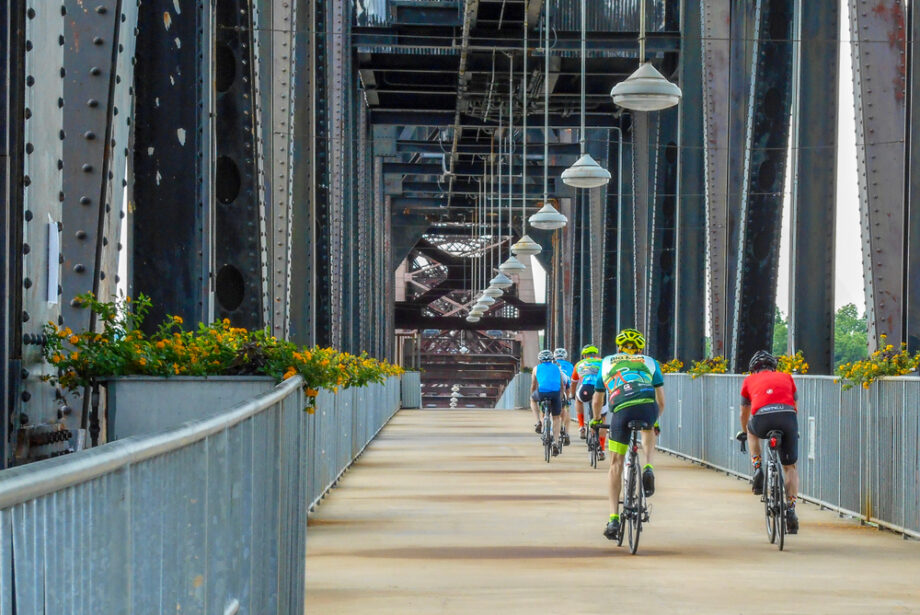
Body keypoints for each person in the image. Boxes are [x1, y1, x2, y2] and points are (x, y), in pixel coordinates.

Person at [595, 328, 665, 539]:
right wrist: (654, 421)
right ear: (640, 349)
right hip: (647, 406)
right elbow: (661, 401)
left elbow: (598, 400)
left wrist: (597, 419)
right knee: (648, 428)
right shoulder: (650, 362)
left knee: (616, 462)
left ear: (619, 348)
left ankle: (614, 519)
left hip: (621, 409)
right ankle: (649, 465)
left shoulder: (607, 362)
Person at [740, 350, 800, 534]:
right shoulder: (787, 377)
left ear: (753, 369)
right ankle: (791, 510)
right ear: (774, 367)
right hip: (787, 418)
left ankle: (758, 468)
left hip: (762, 419)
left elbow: (744, 412)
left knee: (751, 432)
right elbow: (795, 406)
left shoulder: (749, 381)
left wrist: (744, 431)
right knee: (789, 467)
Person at [571, 344, 605, 459]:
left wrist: (571, 393)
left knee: (578, 399)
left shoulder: (579, 364)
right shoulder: (603, 362)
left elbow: (574, 382)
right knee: (602, 419)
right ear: (596, 354)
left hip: (586, 389)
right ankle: (602, 449)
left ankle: (581, 426)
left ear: (584, 355)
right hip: (600, 391)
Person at [530, 349, 565, 456]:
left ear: (540, 360)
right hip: (555, 393)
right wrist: (561, 397)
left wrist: (533, 394)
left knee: (532, 400)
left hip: (542, 393)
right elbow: (562, 386)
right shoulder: (557, 368)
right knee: (556, 418)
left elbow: (533, 385)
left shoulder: (536, 368)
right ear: (552, 359)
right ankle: (555, 441)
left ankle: (538, 422)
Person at [554, 348, 575, 445]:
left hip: (555, 387)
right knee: (566, 408)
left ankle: (547, 426)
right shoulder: (570, 365)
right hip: (566, 386)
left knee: (552, 411)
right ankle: (566, 432)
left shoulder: (552, 365)